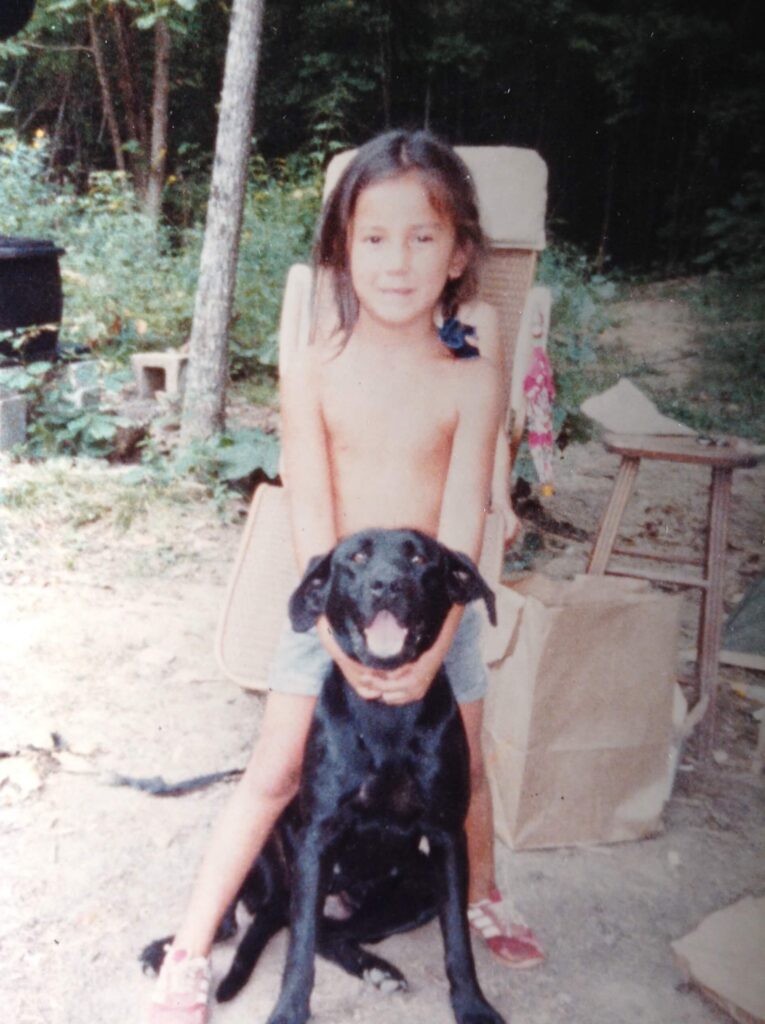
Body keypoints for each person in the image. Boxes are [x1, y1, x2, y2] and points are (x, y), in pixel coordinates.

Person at [149, 129, 543, 1024]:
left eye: (421, 237)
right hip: (335, 606)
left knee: (465, 771)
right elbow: (311, 511)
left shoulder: (471, 377)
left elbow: (462, 524)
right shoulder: (316, 363)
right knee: (276, 772)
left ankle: (482, 890)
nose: (395, 261)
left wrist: (430, 647)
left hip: (439, 605)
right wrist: (340, 640)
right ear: (339, 249)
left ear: (459, 255)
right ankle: (188, 945)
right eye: (372, 237)